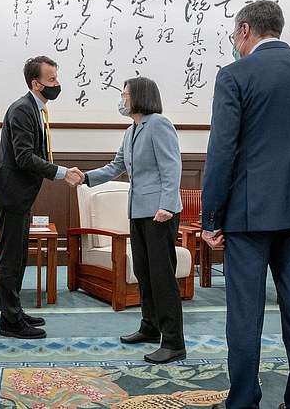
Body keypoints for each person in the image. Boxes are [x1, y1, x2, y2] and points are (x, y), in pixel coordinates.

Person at [201, 0, 290, 409]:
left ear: (245, 30)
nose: (234, 42)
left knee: (245, 317)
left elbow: (222, 151)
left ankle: (244, 401)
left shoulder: (234, 75)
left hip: (248, 218)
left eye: (234, 35)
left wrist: (210, 218)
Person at [81, 77, 185, 364]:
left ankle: (174, 342)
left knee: (163, 277)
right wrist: (86, 177)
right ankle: (150, 327)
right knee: (144, 272)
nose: (122, 100)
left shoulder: (159, 124)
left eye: (125, 94)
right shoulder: (132, 131)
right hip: (138, 211)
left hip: (159, 213)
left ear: (139, 97)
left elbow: (172, 165)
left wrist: (166, 204)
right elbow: (116, 166)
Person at [0, 55, 82, 339]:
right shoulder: (21, 110)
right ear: (36, 83)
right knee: (10, 257)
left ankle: (15, 311)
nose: (57, 84)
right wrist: (62, 173)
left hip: (21, 193)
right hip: (11, 192)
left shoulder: (35, 108)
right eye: (51, 80)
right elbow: (24, 157)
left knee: (17, 257)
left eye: (56, 78)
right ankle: (10, 322)